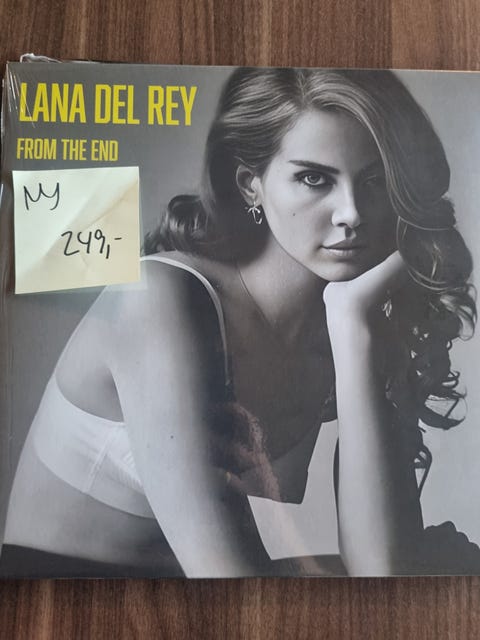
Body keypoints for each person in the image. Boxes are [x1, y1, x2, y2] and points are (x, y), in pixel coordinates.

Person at [2, 68, 478, 578]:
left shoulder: (352, 320)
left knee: (450, 565)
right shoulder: (161, 298)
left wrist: (352, 323)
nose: (351, 214)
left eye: (375, 181)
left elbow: (383, 571)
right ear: (251, 185)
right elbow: (227, 580)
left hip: (189, 598)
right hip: (59, 602)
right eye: (314, 179)